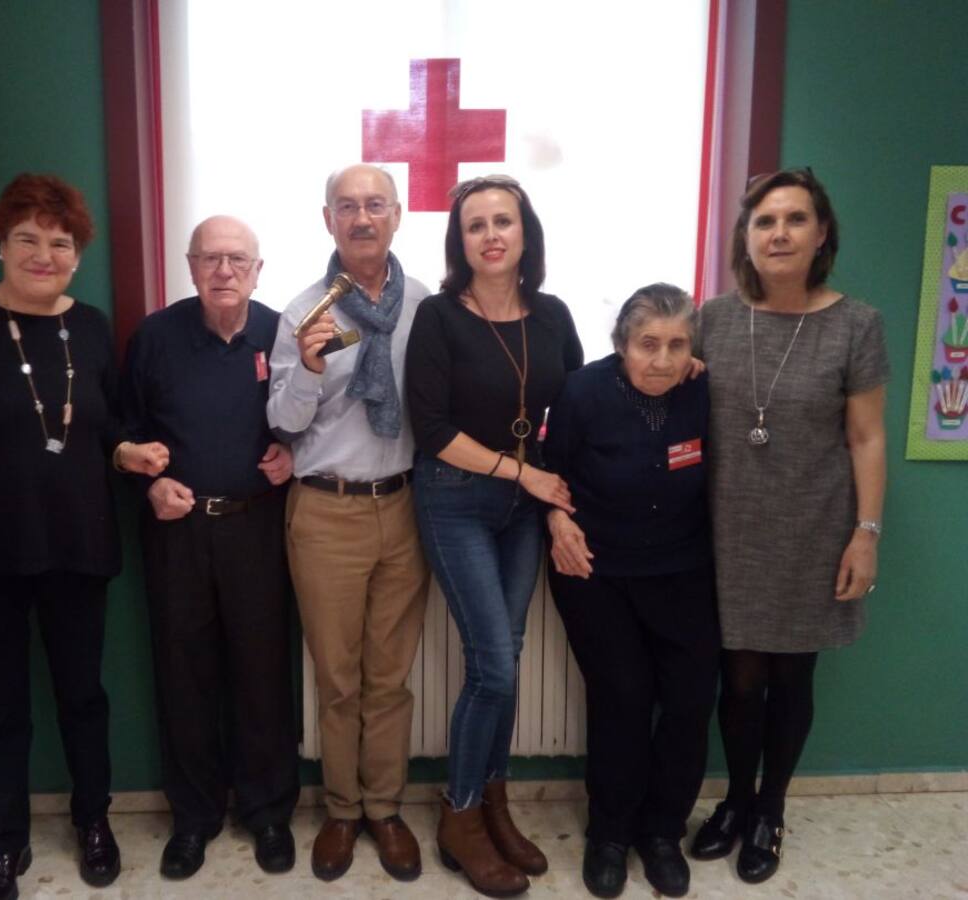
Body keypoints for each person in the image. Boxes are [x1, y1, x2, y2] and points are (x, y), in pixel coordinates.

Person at [0, 173, 170, 900]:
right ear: (1, 243)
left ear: (77, 255)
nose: (44, 255)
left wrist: (129, 453)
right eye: (28, 239)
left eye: (60, 243)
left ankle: (94, 822)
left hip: (78, 543)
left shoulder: (92, 327)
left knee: (84, 696)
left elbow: (105, 427)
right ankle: (7, 843)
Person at [689, 168, 888, 884]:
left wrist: (866, 532)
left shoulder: (856, 324)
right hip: (727, 528)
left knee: (791, 676)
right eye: (765, 221)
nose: (779, 233)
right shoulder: (712, 319)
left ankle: (771, 809)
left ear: (821, 233)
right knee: (739, 680)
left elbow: (867, 437)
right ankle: (737, 801)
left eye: (795, 219)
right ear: (745, 236)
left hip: (813, 529)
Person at [405, 174, 582, 897]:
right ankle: (461, 814)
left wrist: (555, 500)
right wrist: (525, 473)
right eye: (474, 225)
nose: (490, 235)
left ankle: (493, 803)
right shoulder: (440, 317)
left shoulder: (553, 314)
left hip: (525, 507)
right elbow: (431, 429)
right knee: (495, 667)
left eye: (502, 221)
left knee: (505, 653)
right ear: (460, 242)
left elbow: (579, 407)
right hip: (455, 498)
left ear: (525, 232)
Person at [120, 216, 299, 880]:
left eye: (237, 259)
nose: (224, 271)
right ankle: (194, 818)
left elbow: (314, 417)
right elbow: (123, 432)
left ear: (258, 269)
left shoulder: (283, 333)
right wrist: (149, 482)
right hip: (179, 532)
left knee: (263, 674)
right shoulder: (155, 338)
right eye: (211, 259)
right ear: (191, 266)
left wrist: (293, 453)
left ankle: (268, 812)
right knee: (184, 676)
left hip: (259, 527)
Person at [267, 164, 430, 883]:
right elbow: (282, 421)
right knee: (337, 680)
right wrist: (307, 366)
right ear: (327, 219)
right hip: (325, 512)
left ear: (396, 215)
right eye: (347, 207)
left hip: (406, 507)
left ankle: (385, 809)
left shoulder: (424, 305)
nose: (362, 218)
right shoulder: (304, 311)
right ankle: (341, 810)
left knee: (389, 677)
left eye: (375, 205)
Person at [544, 284, 719, 899]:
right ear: (622, 344)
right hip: (598, 571)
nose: (662, 360)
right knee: (622, 697)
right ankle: (611, 834)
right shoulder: (582, 392)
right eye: (648, 344)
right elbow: (551, 471)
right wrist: (556, 519)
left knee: (690, 700)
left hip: (683, 569)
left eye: (677, 345)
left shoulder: (702, 389)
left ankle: (663, 831)